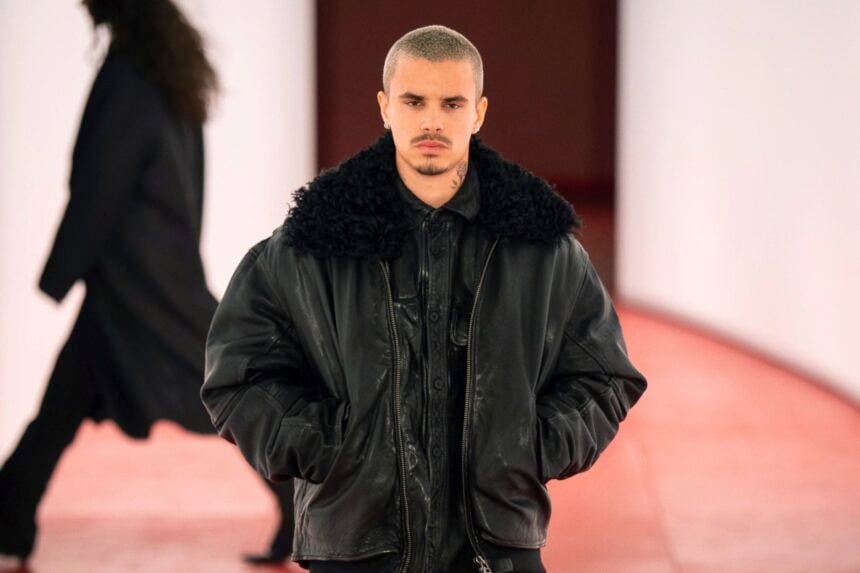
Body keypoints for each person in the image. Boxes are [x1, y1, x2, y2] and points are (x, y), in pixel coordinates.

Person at [201, 25, 647, 573]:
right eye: (414, 101)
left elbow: (606, 376)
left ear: (478, 113)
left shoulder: (542, 249)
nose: (432, 121)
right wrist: (331, 448)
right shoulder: (310, 245)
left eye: (451, 103)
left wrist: (530, 446)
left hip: (495, 547)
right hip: (356, 543)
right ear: (385, 108)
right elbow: (237, 374)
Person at [0, 0, 293, 565]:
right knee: (67, 402)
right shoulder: (165, 68)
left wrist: (61, 271)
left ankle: (308, 499)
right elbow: (183, 181)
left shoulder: (130, 75)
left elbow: (98, 186)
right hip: (145, 275)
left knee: (226, 387)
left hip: (142, 283)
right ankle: (9, 520)